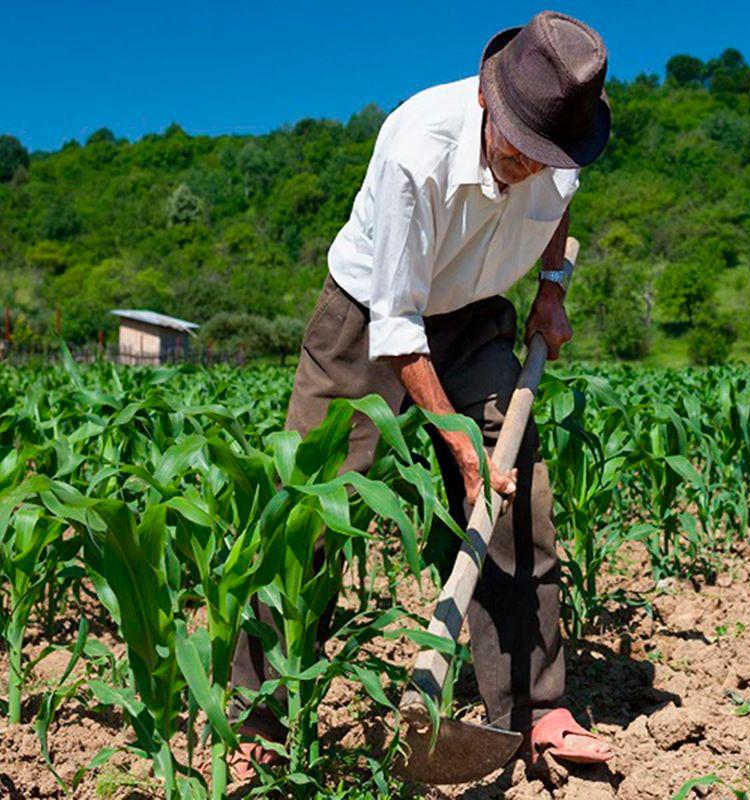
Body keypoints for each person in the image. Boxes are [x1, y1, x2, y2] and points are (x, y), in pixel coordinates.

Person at [227, 11, 614, 780]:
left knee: (517, 497)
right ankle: (255, 712)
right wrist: (455, 442)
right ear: (487, 100)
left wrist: (553, 289)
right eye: (518, 149)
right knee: (311, 504)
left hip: (476, 315)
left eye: (546, 157)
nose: (529, 168)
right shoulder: (416, 148)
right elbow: (397, 328)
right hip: (371, 313)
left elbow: (561, 205)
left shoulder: (563, 146)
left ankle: (535, 711)